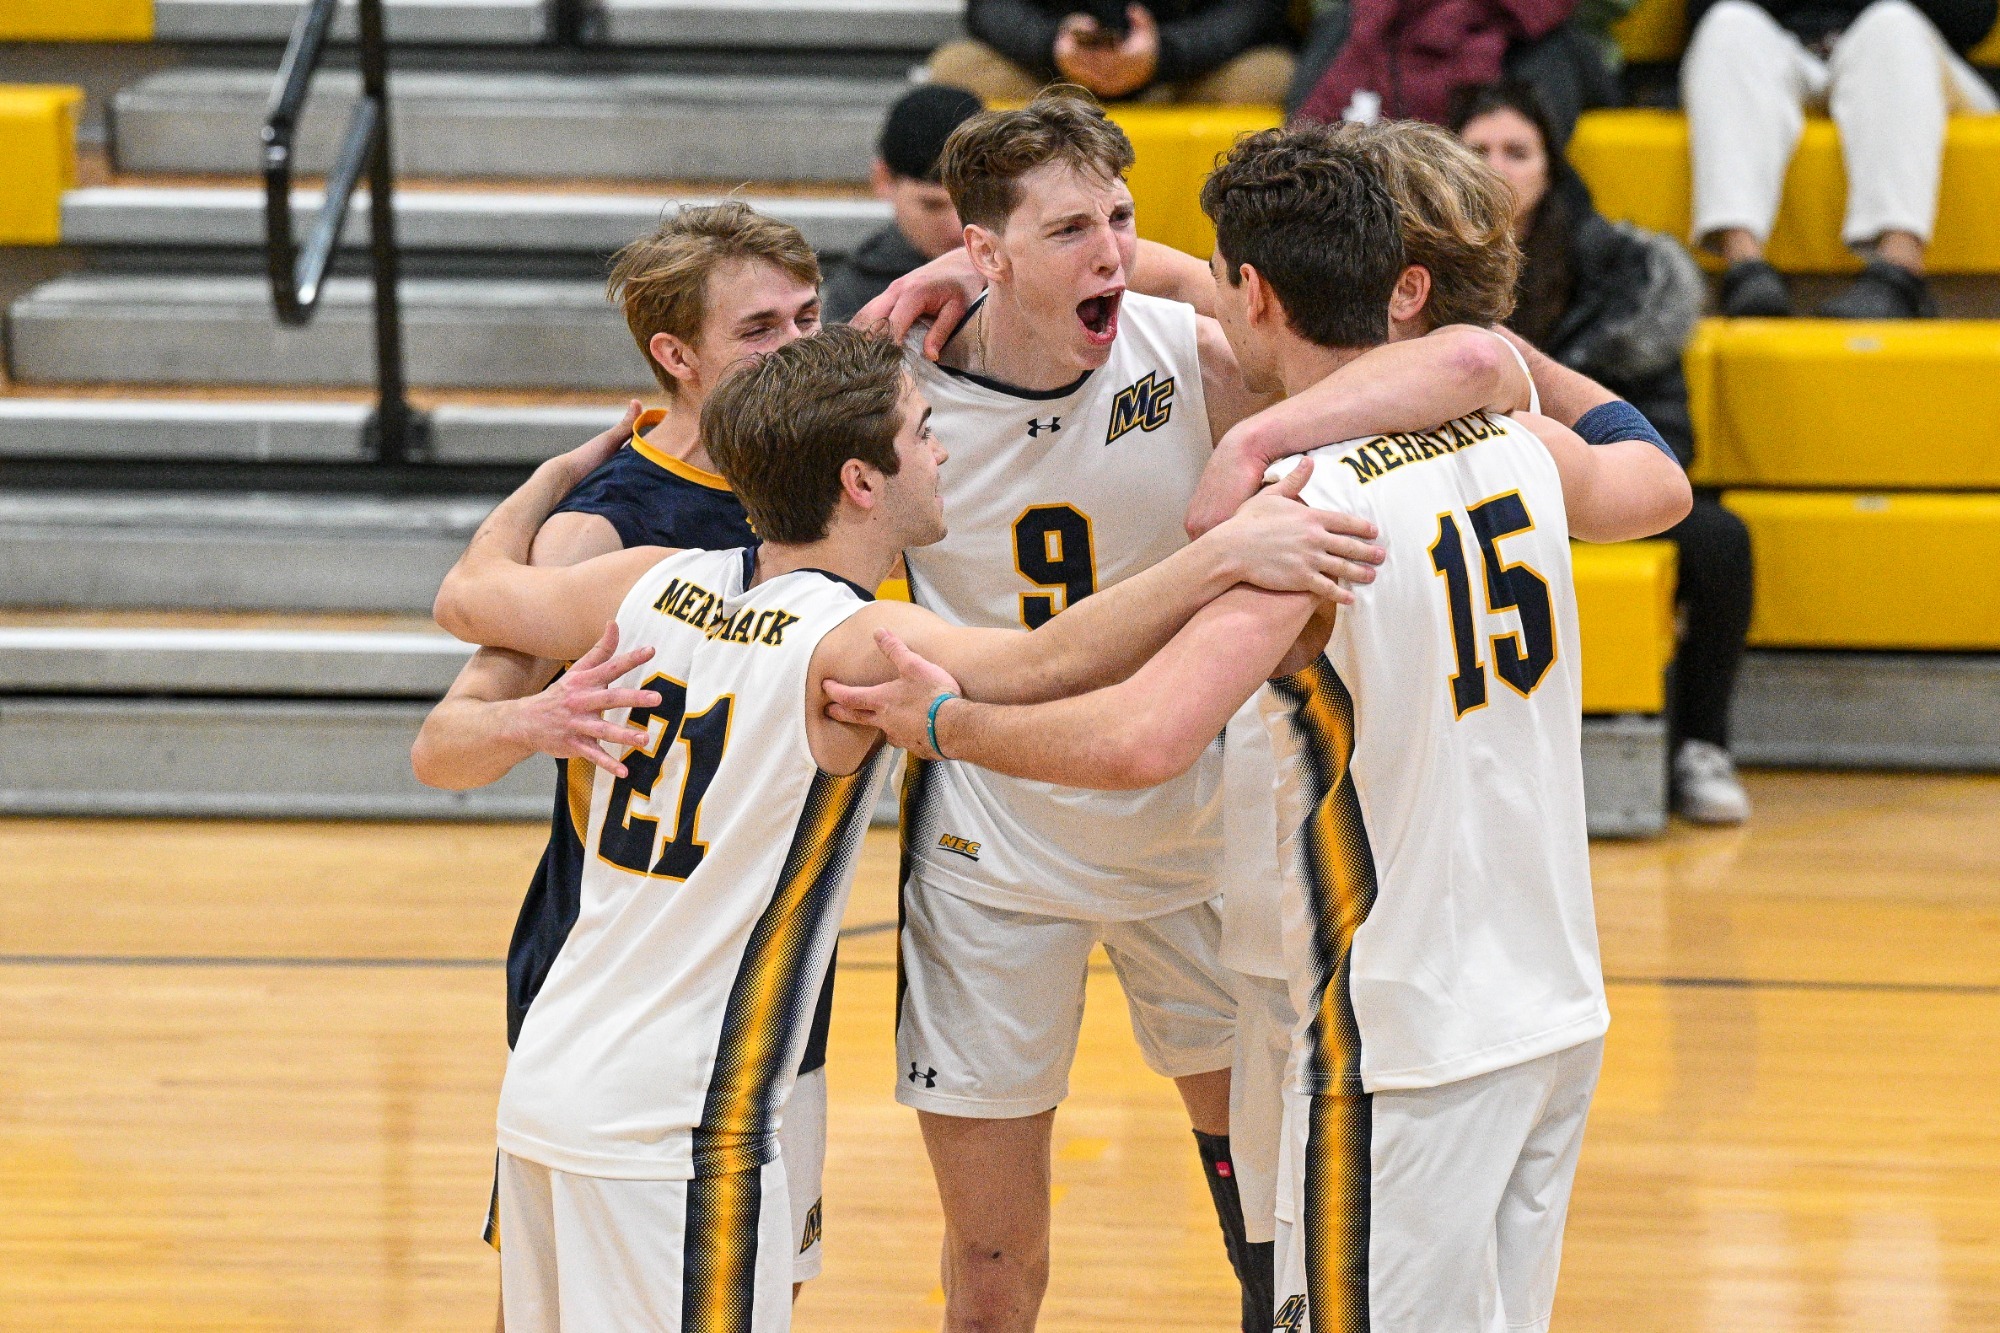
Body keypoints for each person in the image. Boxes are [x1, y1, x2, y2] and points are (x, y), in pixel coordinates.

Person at [821, 122, 1691, 1332]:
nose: (1128, 259)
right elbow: (1654, 477)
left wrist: (941, 721)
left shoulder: (1299, 516)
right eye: (1073, 229)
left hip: (1390, 1017)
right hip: (1544, 998)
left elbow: (1138, 736)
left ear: (1252, 294)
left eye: (1129, 226)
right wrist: (1484, 358)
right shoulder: (1514, 443)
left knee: (1304, 1281)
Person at [428, 325, 1378, 1331]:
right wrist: (1221, 556)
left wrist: (551, 481)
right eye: (923, 431)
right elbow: (1049, 660)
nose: (942, 449)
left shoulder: (651, 582)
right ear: (860, 482)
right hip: (675, 1124)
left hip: (545, 1083)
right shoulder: (850, 640)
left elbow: (477, 591)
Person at [406, 202, 832, 1324]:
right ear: (674, 356)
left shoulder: (840, 473)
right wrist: (532, 720)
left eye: (808, 316)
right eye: (759, 329)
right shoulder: (605, 529)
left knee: (758, 1283)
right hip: (616, 962)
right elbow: (445, 743)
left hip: (774, 960)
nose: (796, 346)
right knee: (548, 1291)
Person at [1455, 80, 1755, 822]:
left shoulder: (1624, 273)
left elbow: (1666, 439)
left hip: (1581, 480)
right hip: (1453, 482)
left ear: (1550, 168)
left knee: (1721, 539)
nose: (1498, 168)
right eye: (1478, 151)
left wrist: (1563, 457)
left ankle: (1701, 746)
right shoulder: (1410, 265)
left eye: (1517, 152)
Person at [1682, 0, 2000, 318]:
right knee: (1729, 23)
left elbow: (1972, 17)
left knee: (1892, 24)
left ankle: (1900, 269)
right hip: (1782, 48)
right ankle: (1745, 268)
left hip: (1913, 56)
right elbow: (1698, 9)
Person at [822, 84, 986, 324]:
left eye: (973, 201)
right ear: (883, 180)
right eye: (933, 206)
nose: (958, 227)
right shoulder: (856, 294)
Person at [928, 0, 1296, 105]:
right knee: (954, 68)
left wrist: (1164, 55)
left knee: (1275, 76)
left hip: (1182, 80)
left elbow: (1256, 10)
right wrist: (1052, 45)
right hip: (1057, 81)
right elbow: (988, 8)